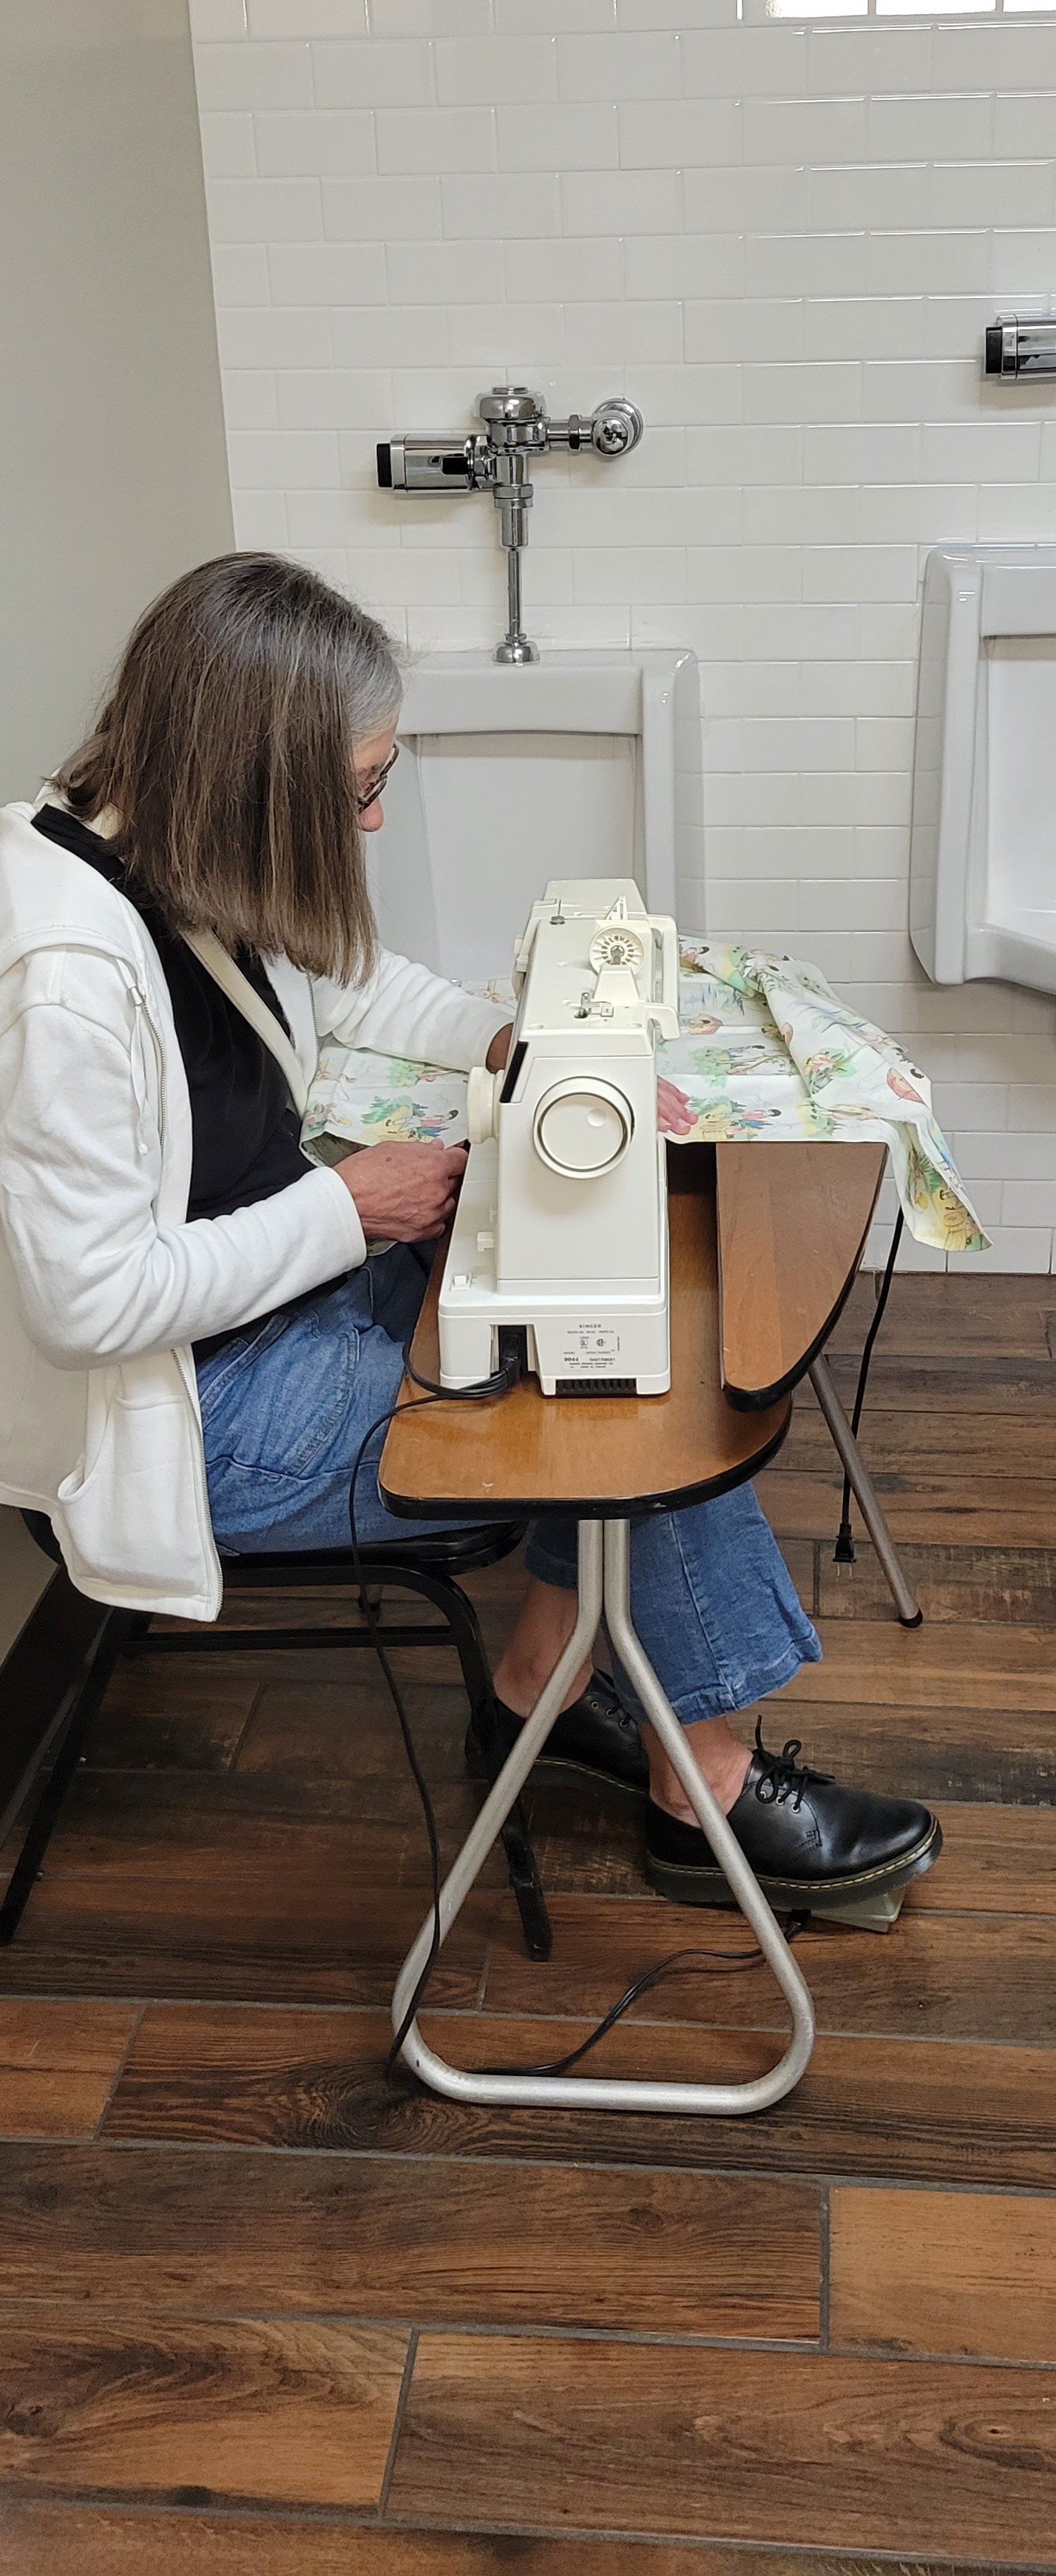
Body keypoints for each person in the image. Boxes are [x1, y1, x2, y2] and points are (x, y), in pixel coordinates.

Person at [0, 553, 939, 1919]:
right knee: (632, 1393)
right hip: (186, 1414)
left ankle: (542, 1687)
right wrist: (349, 1207)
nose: (374, 827)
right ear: (255, 777)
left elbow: (348, 970)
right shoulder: (66, 982)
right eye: (362, 788)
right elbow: (88, 1307)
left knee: (629, 1306)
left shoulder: (161, 836)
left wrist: (505, 1038)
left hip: (267, 1310)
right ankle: (705, 1786)